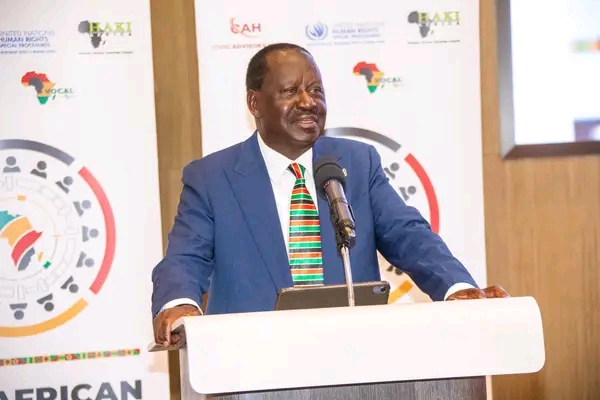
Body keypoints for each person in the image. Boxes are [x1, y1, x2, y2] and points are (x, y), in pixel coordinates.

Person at [152, 43, 509, 346]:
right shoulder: (212, 178)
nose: (308, 102)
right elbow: (186, 258)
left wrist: (455, 287)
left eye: (316, 91)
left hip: (353, 358)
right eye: (290, 92)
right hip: (251, 364)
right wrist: (179, 304)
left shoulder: (357, 163)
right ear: (255, 103)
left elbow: (407, 234)